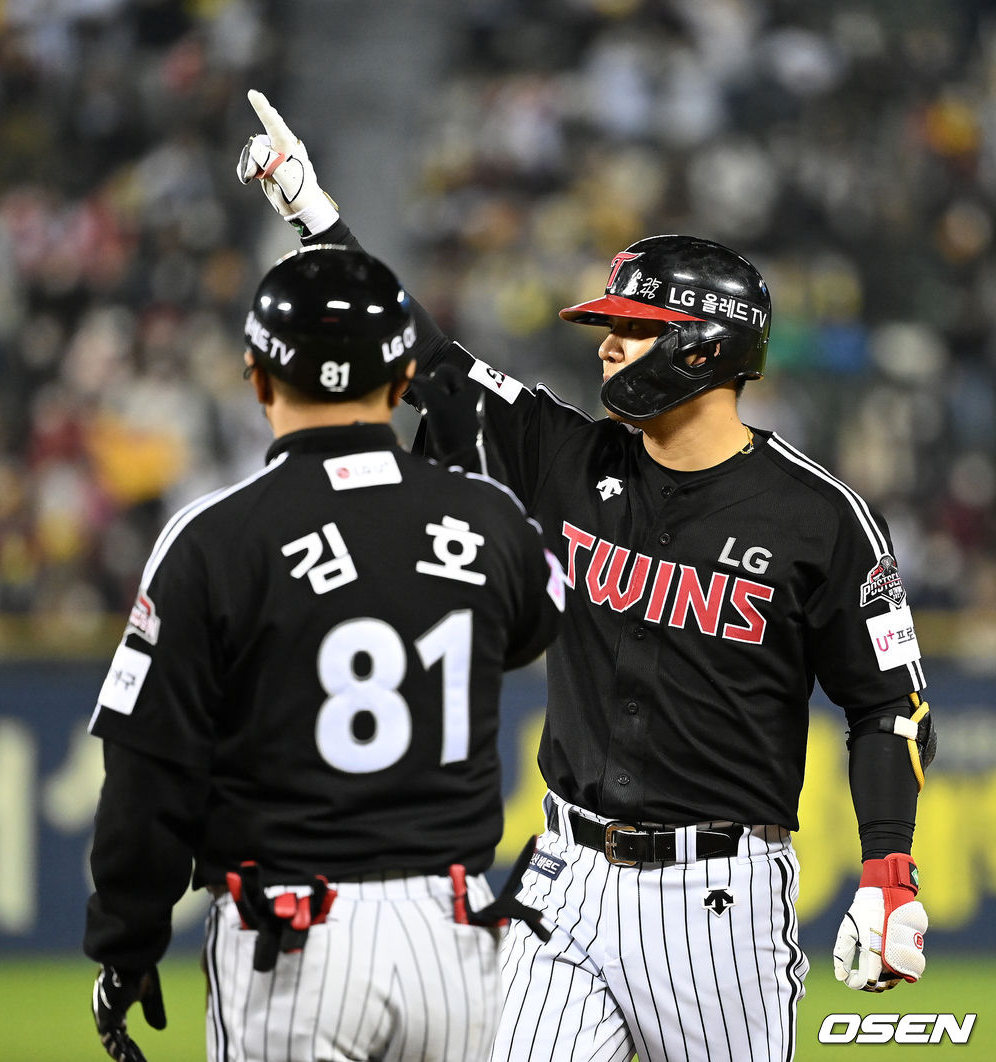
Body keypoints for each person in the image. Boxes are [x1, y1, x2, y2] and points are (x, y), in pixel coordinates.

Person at [237, 92, 937, 1062]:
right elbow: (431, 366)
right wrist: (314, 216)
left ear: (704, 345)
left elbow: (889, 707)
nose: (606, 342)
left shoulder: (819, 519)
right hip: (564, 879)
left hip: (717, 906)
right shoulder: (566, 457)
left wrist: (889, 870)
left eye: (633, 326)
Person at [83, 244, 566, 1062]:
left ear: (258, 377)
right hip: (453, 939)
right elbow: (535, 619)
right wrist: (463, 474)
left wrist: (125, 944)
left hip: (293, 941)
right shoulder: (483, 518)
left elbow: (149, 769)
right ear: (404, 379)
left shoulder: (214, 539)